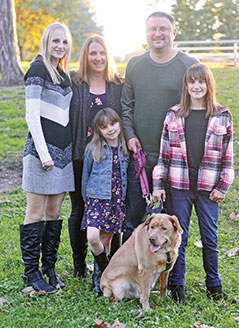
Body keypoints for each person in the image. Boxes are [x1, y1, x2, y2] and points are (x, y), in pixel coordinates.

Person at [152, 63, 235, 304]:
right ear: (186, 86)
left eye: (202, 82)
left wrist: (223, 186)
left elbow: (228, 157)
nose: (197, 86)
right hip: (179, 186)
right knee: (180, 238)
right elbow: (163, 154)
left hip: (209, 189)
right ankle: (177, 287)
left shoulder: (223, 115)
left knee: (210, 238)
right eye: (192, 82)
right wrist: (158, 184)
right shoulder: (174, 115)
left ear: (209, 85)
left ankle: (214, 285)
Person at [121, 11, 199, 242]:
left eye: (163, 29)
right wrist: (129, 135)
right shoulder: (135, 65)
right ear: (146, 33)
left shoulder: (189, 65)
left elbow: (199, 109)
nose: (157, 33)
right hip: (141, 156)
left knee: (173, 223)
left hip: (177, 159)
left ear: (173, 32)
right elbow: (126, 105)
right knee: (133, 218)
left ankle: (173, 276)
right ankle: (129, 272)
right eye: (152, 29)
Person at [20, 22, 74, 293]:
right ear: (46, 42)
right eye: (55, 41)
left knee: (54, 213)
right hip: (42, 155)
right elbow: (31, 115)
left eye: (64, 42)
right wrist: (44, 154)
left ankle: (49, 269)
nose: (60, 46)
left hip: (63, 156)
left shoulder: (63, 73)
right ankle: (31, 274)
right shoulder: (37, 69)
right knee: (35, 213)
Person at [69, 35, 124, 290]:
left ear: (107, 55)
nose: (98, 58)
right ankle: (81, 264)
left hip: (112, 156)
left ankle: (112, 263)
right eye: (92, 53)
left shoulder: (117, 84)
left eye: (102, 53)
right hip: (83, 155)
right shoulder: (76, 83)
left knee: (114, 210)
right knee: (81, 210)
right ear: (85, 57)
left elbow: (125, 115)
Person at [81, 108, 129, 292]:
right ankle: (105, 271)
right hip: (96, 200)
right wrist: (88, 200)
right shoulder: (94, 149)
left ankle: (100, 278)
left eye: (113, 124)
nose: (110, 129)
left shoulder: (125, 149)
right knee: (93, 237)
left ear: (119, 124)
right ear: (98, 130)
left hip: (116, 201)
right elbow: (86, 177)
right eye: (104, 127)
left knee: (107, 240)